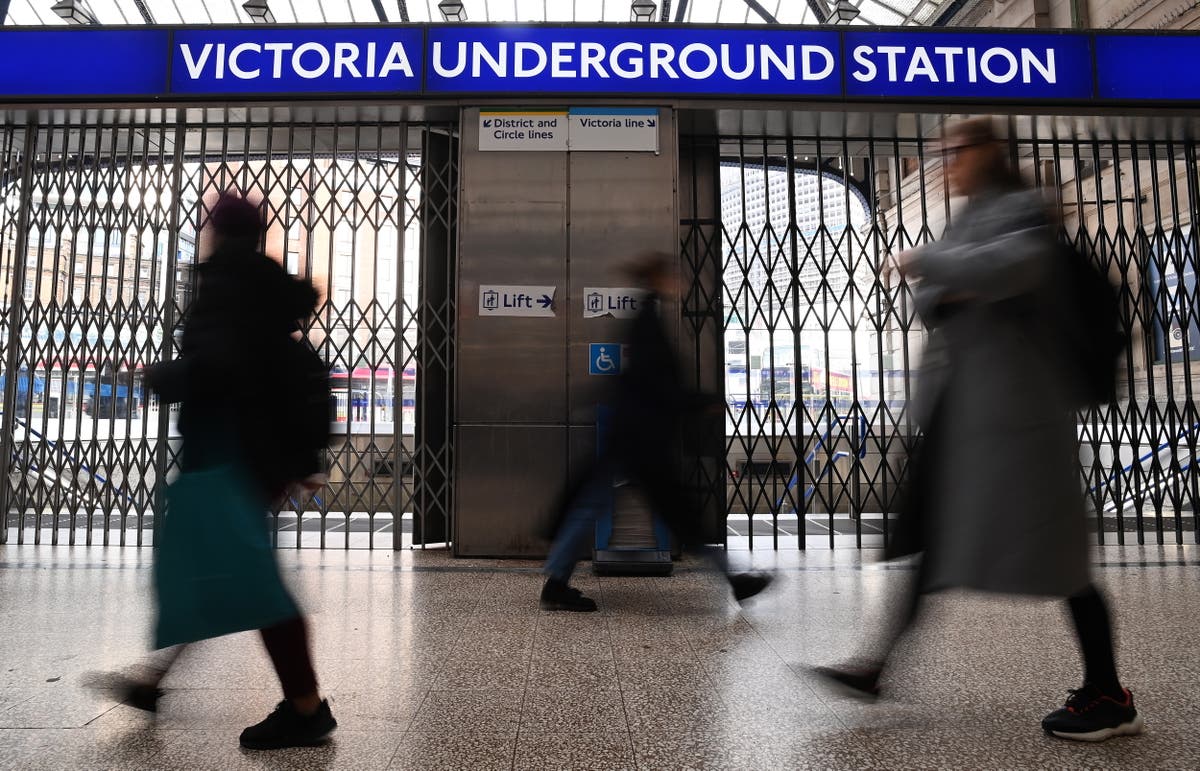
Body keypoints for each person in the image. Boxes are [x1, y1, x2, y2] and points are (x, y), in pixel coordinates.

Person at [814, 118, 1141, 742]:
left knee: (1062, 559)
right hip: (964, 410)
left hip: (1016, 416)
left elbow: (1009, 268)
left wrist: (929, 261)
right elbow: (938, 296)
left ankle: (1108, 691)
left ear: (985, 153)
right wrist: (949, 279)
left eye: (952, 154)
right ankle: (876, 664)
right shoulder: (970, 217)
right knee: (929, 532)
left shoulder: (1021, 210)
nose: (944, 166)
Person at [93, 194, 337, 750]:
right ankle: (151, 680)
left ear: (217, 230)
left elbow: (222, 365)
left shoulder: (227, 281)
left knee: (249, 579)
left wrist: (169, 377)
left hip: (231, 454)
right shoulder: (263, 284)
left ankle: (306, 706)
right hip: (254, 452)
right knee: (210, 567)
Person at [539, 251, 772, 612]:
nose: (680, 282)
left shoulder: (647, 316)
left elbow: (646, 381)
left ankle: (556, 582)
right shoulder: (648, 320)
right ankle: (735, 579)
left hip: (631, 436)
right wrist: (698, 401)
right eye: (673, 276)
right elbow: (656, 383)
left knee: (600, 505)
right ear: (659, 279)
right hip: (639, 439)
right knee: (673, 512)